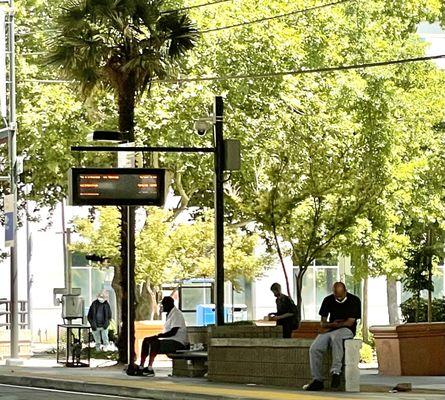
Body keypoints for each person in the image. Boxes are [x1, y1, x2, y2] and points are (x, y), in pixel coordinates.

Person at [303, 282, 361, 391]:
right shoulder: (328, 300)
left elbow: (350, 322)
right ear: (333, 292)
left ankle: (336, 372)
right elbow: (322, 323)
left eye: (341, 296)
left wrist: (338, 325)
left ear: (345, 291)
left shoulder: (354, 300)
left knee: (337, 338)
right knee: (315, 348)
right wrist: (331, 324)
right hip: (330, 329)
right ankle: (317, 380)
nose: (339, 298)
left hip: (347, 330)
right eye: (336, 296)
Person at [138, 296, 188, 376]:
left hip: (178, 342)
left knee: (155, 342)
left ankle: (150, 367)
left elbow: (173, 332)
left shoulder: (176, 314)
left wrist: (158, 336)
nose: (162, 307)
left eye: (164, 305)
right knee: (146, 340)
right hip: (170, 340)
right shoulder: (169, 314)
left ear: (169, 304)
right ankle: (141, 366)